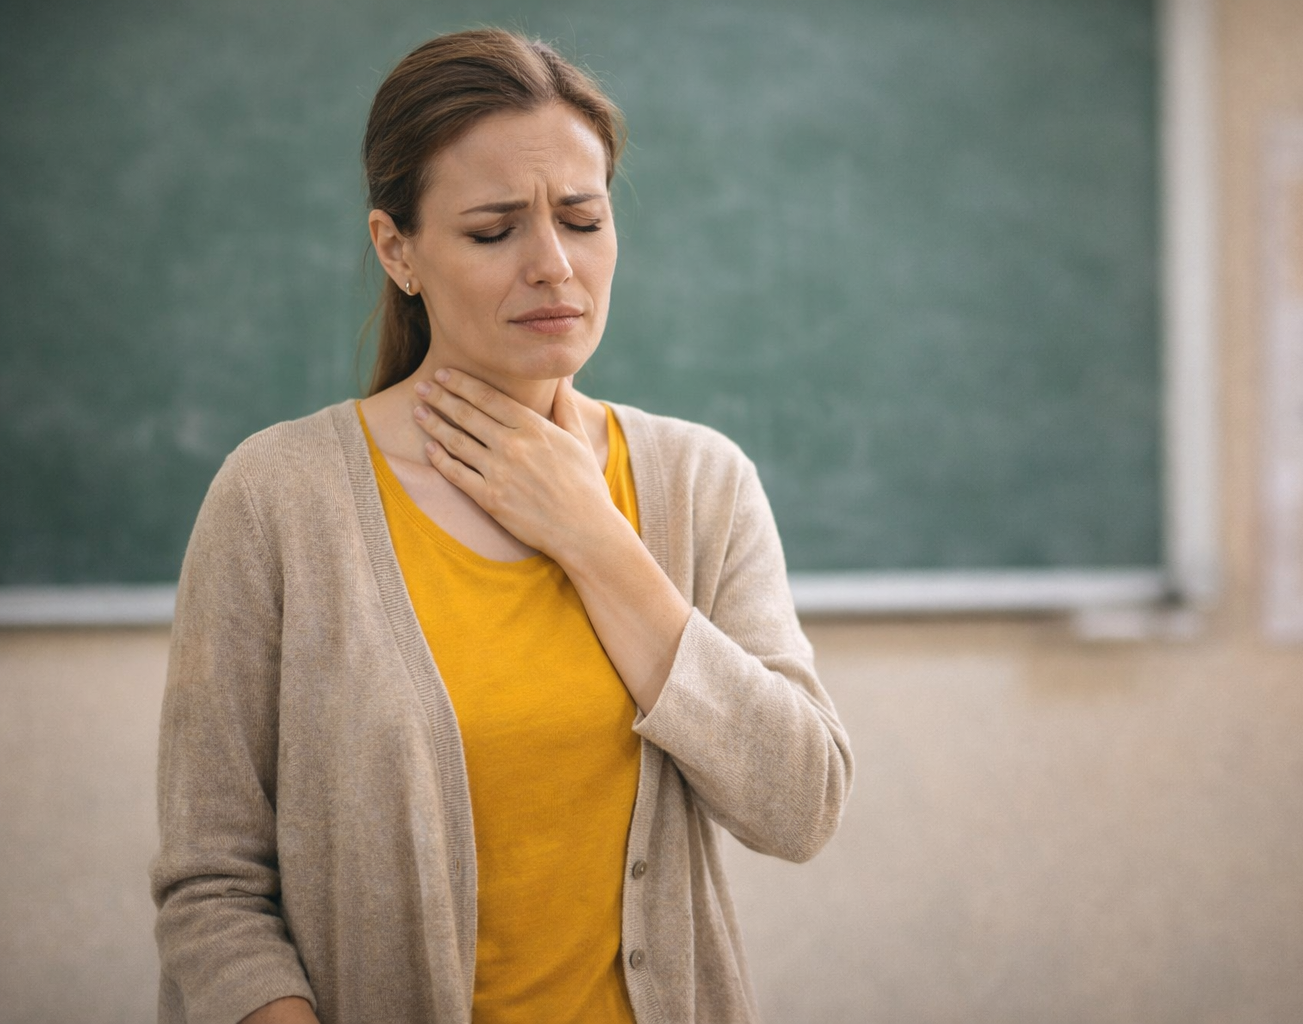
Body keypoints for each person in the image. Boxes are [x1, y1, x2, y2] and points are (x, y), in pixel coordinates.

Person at [150, 28, 853, 1024]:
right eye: (494, 230)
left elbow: (799, 801)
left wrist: (595, 537)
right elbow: (211, 888)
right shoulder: (277, 499)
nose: (554, 265)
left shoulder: (700, 481)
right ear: (398, 249)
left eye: (583, 218)